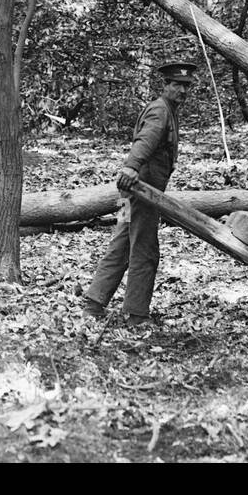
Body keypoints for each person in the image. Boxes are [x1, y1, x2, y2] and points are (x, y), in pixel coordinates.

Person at [81, 59, 196, 327]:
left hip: (130, 194)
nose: (183, 91)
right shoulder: (160, 111)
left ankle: (94, 304)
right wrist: (132, 166)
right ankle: (136, 315)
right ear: (165, 85)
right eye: (178, 85)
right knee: (144, 249)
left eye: (187, 86)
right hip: (141, 193)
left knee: (120, 244)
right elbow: (146, 140)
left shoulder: (167, 109)